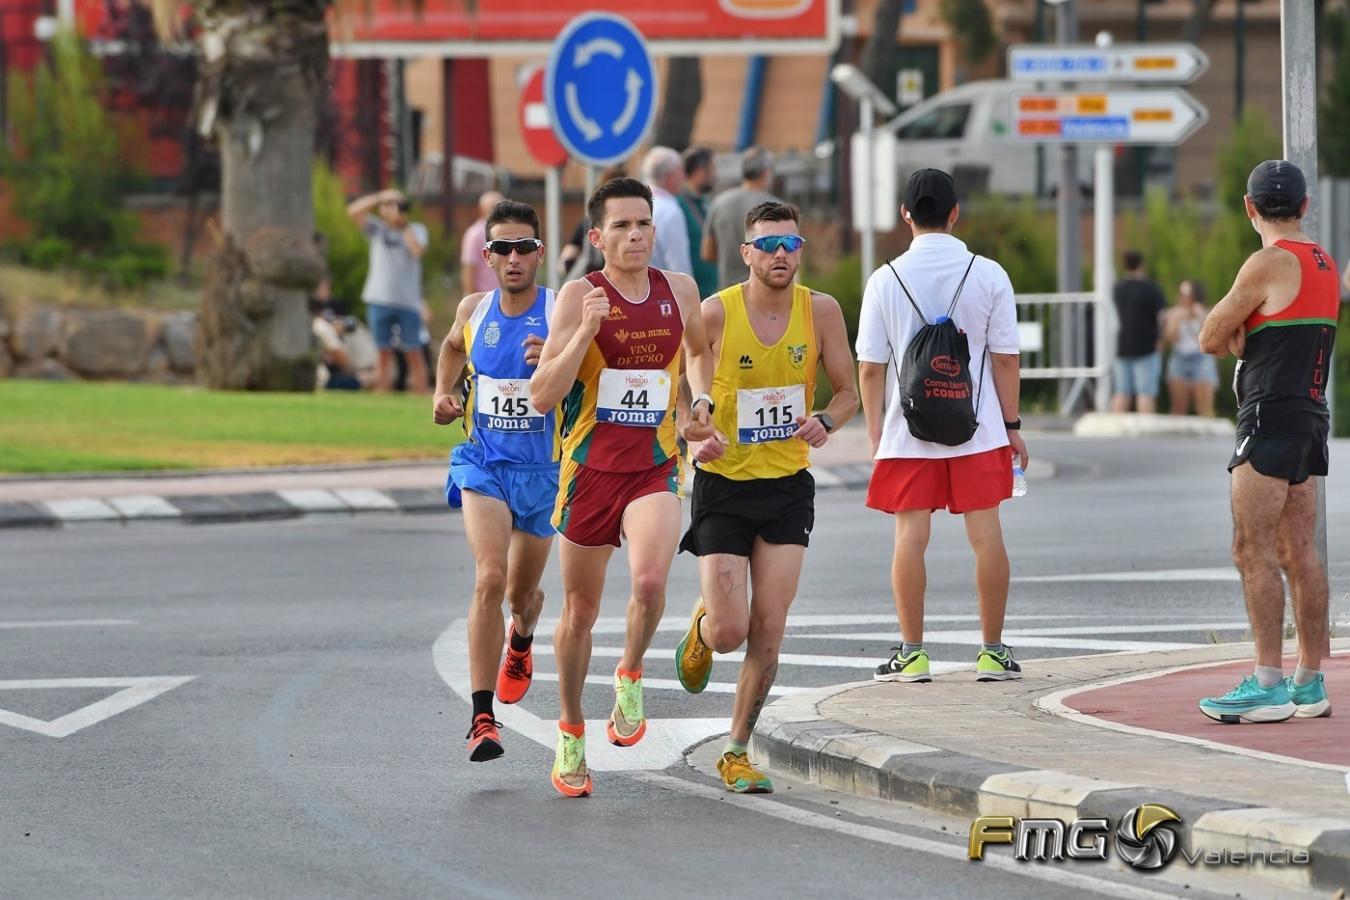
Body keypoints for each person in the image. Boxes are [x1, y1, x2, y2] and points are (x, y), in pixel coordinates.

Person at [530, 176, 716, 798]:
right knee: (579, 612)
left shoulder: (679, 289)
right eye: (621, 226)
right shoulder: (579, 297)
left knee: (650, 581)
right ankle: (571, 733)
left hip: (654, 464)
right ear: (597, 236)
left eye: (643, 224)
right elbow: (540, 396)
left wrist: (702, 398)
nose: (635, 235)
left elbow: (697, 352)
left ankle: (631, 675)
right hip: (587, 470)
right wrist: (584, 332)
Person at [674, 201, 858, 794]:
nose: (781, 255)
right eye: (769, 245)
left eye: (791, 244)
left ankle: (735, 749)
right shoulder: (716, 314)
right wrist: (692, 434)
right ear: (746, 253)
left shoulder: (821, 311)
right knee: (731, 631)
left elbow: (849, 390)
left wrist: (827, 421)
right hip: (725, 485)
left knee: (769, 627)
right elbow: (676, 388)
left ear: (801, 251)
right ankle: (704, 627)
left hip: (786, 488)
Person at [855, 168, 1029, 685]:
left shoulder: (884, 279)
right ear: (955, 213)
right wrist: (1013, 424)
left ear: (905, 215)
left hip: (907, 434)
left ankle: (912, 654)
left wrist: (875, 437)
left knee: (910, 537)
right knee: (987, 535)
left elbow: (870, 366)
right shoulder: (989, 273)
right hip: (979, 430)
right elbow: (1005, 359)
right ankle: (993, 653)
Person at [1196, 160, 1337, 724]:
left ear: (1250, 208)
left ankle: (1267, 683)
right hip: (1310, 413)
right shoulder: (1323, 262)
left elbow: (1210, 336)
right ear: (1305, 206)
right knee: (1300, 551)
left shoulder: (1265, 262)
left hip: (1267, 415)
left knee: (1249, 549)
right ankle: (1308, 680)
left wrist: (1239, 333)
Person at [432, 199, 559, 761]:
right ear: (486, 255)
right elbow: (451, 349)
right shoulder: (474, 308)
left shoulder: (561, 312)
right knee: (488, 578)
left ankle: (523, 637)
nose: (513, 258)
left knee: (520, 595)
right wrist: (443, 392)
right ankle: (483, 718)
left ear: (540, 253)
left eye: (523, 248)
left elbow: (590, 379)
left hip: (544, 473)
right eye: (502, 248)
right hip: (484, 463)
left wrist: (554, 361)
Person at [347, 188, 431, 393]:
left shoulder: (416, 229)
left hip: (408, 301)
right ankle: (382, 393)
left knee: (414, 352)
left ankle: (421, 394)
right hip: (379, 298)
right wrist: (379, 197)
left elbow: (417, 250)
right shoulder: (378, 229)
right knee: (382, 352)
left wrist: (402, 225)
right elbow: (352, 212)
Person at [703, 146, 778, 289]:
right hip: (764, 292)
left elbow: (708, 253)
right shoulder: (777, 207)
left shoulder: (719, 202)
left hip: (727, 291)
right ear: (766, 172)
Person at [1110, 251, 1167, 413]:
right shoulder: (1150, 289)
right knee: (1145, 393)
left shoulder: (1117, 288)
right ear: (1142, 265)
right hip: (1146, 346)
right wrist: (1160, 339)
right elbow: (1162, 318)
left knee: (1121, 392)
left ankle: (1116, 428)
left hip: (1122, 345)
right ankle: (1145, 430)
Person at [1162, 279, 1218, 416]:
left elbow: (1208, 338)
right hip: (1179, 358)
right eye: (1181, 293)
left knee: (1204, 406)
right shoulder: (1174, 313)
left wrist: (1199, 318)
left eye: (1187, 293)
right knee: (1178, 405)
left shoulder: (1204, 313)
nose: (1183, 297)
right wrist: (1176, 321)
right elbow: (1169, 339)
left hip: (1201, 359)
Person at [641, 146, 693, 277]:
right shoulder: (670, 211)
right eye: (681, 172)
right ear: (671, 176)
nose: (684, 178)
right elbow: (678, 263)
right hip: (662, 289)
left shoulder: (638, 203)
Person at [678, 146, 719, 299]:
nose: (716, 175)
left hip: (709, 293)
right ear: (699, 172)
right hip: (692, 295)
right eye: (712, 170)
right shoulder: (678, 205)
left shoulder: (705, 203)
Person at [460, 190, 505, 295]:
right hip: (484, 298)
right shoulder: (475, 234)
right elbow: (468, 269)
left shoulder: (506, 232)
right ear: (482, 209)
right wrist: (473, 300)